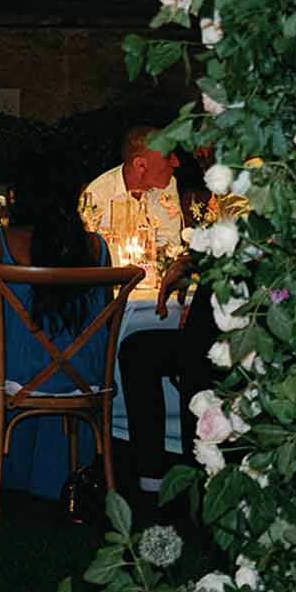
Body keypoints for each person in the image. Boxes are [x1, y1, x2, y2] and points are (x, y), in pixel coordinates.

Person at [0, 157, 114, 499]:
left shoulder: (0, 244)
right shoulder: (97, 247)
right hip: (83, 373)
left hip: (17, 373)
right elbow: (105, 316)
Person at [119, 149, 223, 499]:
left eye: (205, 150)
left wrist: (191, 265)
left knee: (189, 350)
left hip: (235, 326)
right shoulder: (212, 191)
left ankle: (196, 470)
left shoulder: (240, 186)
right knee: (138, 349)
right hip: (213, 313)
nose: (197, 157)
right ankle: (151, 471)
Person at [77, 125, 183, 274]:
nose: (176, 162)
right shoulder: (98, 194)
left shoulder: (167, 185)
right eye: (168, 156)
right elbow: (86, 255)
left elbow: (172, 244)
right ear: (140, 165)